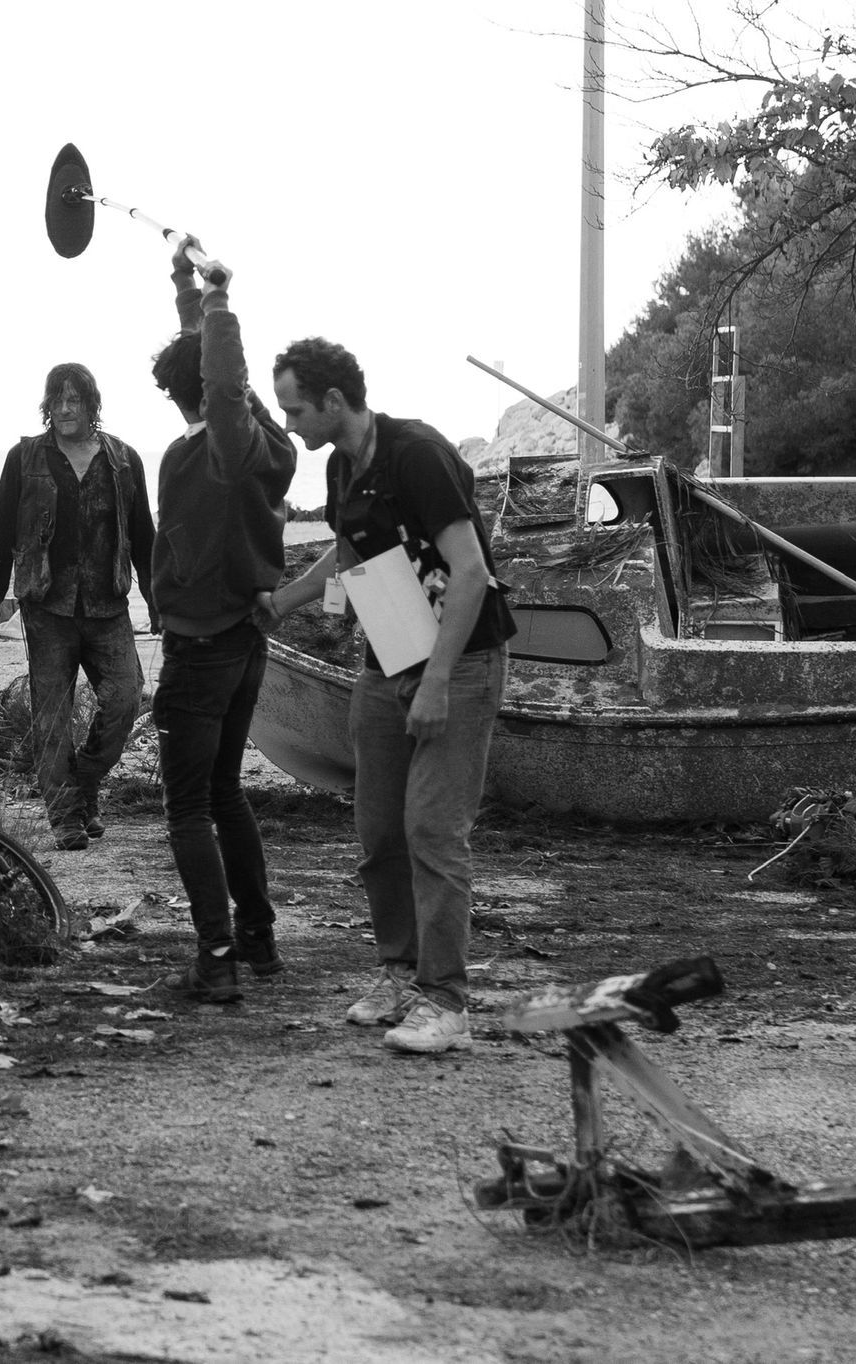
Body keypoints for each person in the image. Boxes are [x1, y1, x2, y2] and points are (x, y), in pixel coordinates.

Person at [258, 337, 515, 1053]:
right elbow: (350, 554)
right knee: (378, 832)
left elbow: (471, 573)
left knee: (433, 830)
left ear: (334, 400)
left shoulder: (418, 455)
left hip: (461, 661)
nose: (289, 425)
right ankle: (400, 974)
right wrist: (284, 602)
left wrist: (436, 681)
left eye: (295, 410)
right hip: (389, 656)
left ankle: (447, 1003)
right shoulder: (342, 464)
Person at [147, 239, 298, 1003]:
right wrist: (190, 291)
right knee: (226, 792)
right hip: (244, 641)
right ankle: (258, 942)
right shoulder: (267, 450)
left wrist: (217, 302)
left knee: (187, 808)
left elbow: (223, 387)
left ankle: (216, 960)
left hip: (200, 651)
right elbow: (224, 385)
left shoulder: (210, 456)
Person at [0, 363, 156, 849]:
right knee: (51, 716)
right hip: (47, 606)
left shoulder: (123, 459)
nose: (64, 408)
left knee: (125, 698)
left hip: (107, 605)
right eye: (57, 399)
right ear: (47, 405)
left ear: (91, 405)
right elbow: (0, 528)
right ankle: (65, 817)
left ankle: (85, 782)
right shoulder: (25, 457)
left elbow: (143, 536)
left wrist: (158, 602)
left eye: (74, 399)